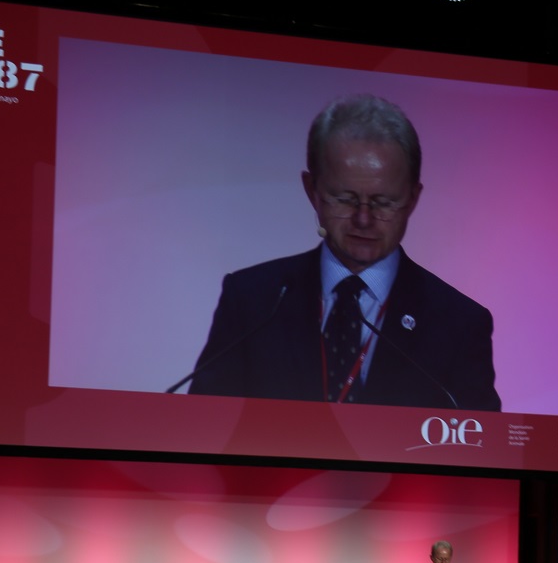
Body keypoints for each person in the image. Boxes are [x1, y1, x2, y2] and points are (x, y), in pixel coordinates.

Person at [186, 94, 501, 411]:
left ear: (412, 198)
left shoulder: (459, 325)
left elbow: (480, 437)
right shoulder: (252, 301)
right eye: (345, 199)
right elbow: (204, 421)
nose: (363, 219)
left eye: (384, 202)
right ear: (312, 190)